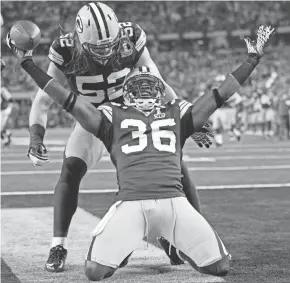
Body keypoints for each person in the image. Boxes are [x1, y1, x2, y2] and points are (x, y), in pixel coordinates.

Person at [8, 22, 274, 280]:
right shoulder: (172, 113)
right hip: (165, 197)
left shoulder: (112, 113)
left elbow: (66, 99)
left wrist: (28, 64)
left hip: (136, 200)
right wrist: (251, 60)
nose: (145, 88)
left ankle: (158, 240)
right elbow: (218, 95)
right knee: (219, 264)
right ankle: (68, 243)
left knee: (97, 270)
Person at [24, 2, 210, 272]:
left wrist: (189, 120)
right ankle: (58, 244)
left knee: (177, 168)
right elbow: (43, 101)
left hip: (132, 119)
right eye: (97, 48)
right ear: (79, 39)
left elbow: (157, 82)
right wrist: (35, 137)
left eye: (109, 44)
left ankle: (189, 239)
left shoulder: (130, 37)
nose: (106, 52)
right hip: (94, 121)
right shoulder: (64, 49)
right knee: (70, 169)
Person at [1, 82, 14, 147]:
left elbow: (10, 99)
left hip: (3, 111)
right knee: (1, 128)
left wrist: (9, 108)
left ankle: (6, 139)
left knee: (0, 128)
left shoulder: (2, 90)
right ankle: (7, 134)